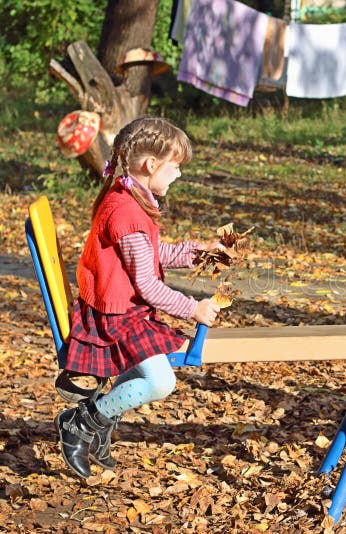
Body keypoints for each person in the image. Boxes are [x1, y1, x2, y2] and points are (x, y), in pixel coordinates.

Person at [55, 116, 223, 479]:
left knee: (147, 371)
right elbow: (147, 284)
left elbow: (151, 252)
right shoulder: (127, 211)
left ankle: (97, 424)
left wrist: (199, 251)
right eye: (175, 167)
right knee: (161, 381)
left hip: (122, 309)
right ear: (151, 165)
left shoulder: (129, 196)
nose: (178, 175)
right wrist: (192, 308)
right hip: (115, 317)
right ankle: (82, 423)